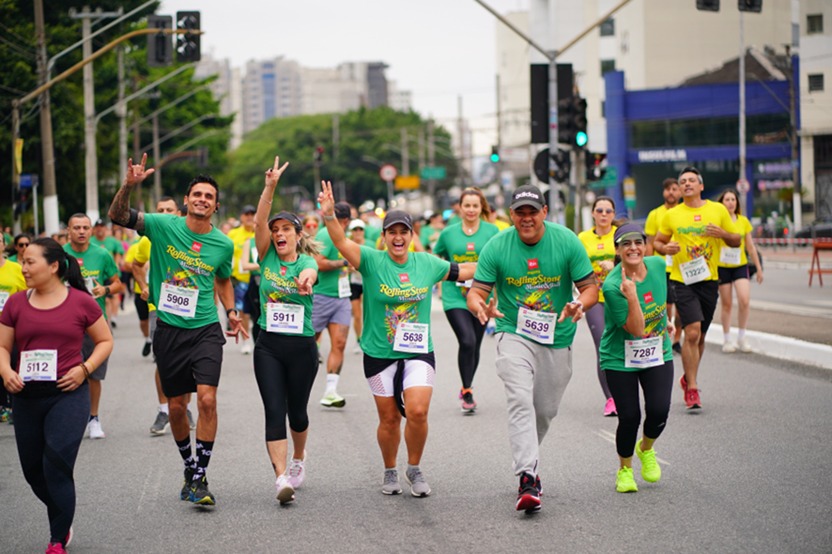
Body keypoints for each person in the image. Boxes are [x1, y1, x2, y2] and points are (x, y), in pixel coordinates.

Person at [318, 180, 476, 497]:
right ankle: (390, 469)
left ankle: (413, 468)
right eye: (393, 232)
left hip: (418, 352)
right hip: (379, 353)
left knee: (417, 411)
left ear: (411, 235)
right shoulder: (372, 261)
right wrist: (328, 216)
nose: (399, 237)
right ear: (385, 237)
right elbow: (339, 242)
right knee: (389, 418)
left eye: (404, 232)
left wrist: (499, 263)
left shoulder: (427, 263)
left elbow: (463, 270)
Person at [109, 153, 247, 506]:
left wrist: (231, 310)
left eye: (209, 197)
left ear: (215, 207)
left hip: (205, 329)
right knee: (175, 407)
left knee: (207, 399)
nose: (202, 200)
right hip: (169, 328)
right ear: (187, 201)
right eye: (197, 194)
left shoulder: (223, 244)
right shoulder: (161, 225)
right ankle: (189, 466)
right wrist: (128, 185)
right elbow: (117, 216)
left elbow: (223, 279)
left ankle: (200, 478)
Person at [467, 184, 597, 513]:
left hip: (558, 335)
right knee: (520, 399)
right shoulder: (496, 246)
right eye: (520, 212)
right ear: (511, 215)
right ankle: (528, 476)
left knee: (544, 410)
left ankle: (528, 456)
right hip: (514, 332)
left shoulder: (567, 240)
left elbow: (590, 288)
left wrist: (579, 304)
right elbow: (476, 292)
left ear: (544, 213)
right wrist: (479, 306)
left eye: (532, 212)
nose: (526, 219)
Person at [0, 238, 113, 553]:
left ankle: (56, 538)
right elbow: (2, 346)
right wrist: (6, 372)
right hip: (26, 396)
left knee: (56, 465)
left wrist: (84, 369)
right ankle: (64, 514)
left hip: (68, 392)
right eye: (22, 261)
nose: (23, 268)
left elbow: (105, 340)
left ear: (53, 266)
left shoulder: (81, 302)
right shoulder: (16, 304)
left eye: (30, 262)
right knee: (34, 472)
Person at [252, 156, 321, 505]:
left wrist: (305, 281)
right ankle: (280, 477)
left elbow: (310, 273)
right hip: (268, 346)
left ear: (297, 236)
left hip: (302, 348)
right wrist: (270, 186)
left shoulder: (306, 261)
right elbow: (259, 221)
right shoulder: (266, 256)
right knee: (273, 409)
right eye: (276, 230)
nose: (279, 234)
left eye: (285, 230)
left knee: (298, 412)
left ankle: (298, 458)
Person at [653, 166, 740, 410]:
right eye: (683, 182)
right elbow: (658, 242)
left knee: (700, 335)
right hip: (682, 280)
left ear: (701, 186)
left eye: (692, 180)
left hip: (709, 280)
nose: (687, 184)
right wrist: (665, 248)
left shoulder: (717, 209)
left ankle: (688, 377)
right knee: (691, 332)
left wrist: (722, 233)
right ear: (679, 189)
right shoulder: (672, 215)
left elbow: (736, 241)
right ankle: (692, 388)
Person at [599, 224, 674, 494]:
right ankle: (625, 470)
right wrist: (631, 297)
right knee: (630, 416)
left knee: (658, 410)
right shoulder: (611, 286)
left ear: (645, 245)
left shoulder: (657, 264)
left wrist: (668, 321)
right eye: (626, 244)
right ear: (617, 251)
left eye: (638, 242)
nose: (633, 247)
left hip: (657, 352)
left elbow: (664, 297)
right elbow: (637, 330)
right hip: (620, 357)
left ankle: (646, 449)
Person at [130, 197, 196, 435]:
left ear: (179, 213)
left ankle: (184, 407)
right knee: (163, 360)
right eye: (160, 210)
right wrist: (143, 286)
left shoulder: (190, 236)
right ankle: (164, 409)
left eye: (169, 210)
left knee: (188, 361)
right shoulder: (150, 237)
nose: (165, 213)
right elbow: (135, 266)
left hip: (189, 308)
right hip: (159, 307)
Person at [432, 187, 499, 413]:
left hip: (482, 295)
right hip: (454, 296)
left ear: (481, 208)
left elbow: (500, 261)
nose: (471, 210)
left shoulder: (492, 232)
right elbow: (437, 258)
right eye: (467, 205)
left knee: (476, 344)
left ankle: (466, 386)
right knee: (467, 341)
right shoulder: (448, 234)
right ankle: (468, 390)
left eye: (475, 206)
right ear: (459, 208)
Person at [64, 213, 123, 439]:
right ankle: (69, 417)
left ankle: (94, 418)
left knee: (93, 374)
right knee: (67, 371)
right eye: (76, 227)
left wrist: (105, 290)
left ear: (91, 231)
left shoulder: (102, 254)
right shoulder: (59, 255)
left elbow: (117, 283)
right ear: (68, 230)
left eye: (85, 227)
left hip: (94, 322)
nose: (81, 231)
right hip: (66, 322)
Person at [577, 196, 620, 417]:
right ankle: (611, 398)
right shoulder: (582, 238)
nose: (604, 214)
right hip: (594, 297)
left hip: (619, 297)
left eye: (608, 211)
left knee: (622, 345)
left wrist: (615, 264)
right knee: (603, 345)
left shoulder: (620, 236)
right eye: (600, 210)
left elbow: (636, 260)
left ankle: (625, 392)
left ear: (613, 214)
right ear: (593, 213)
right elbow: (574, 264)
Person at [312, 201, 353, 408]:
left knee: (339, 343)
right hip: (320, 296)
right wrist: (344, 263)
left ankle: (330, 391)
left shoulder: (345, 237)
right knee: (308, 343)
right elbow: (318, 263)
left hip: (341, 297)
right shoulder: (325, 235)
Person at [716, 188, 764, 353]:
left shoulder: (743, 221)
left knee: (744, 300)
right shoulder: (718, 221)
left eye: (733, 200)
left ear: (737, 203)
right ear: (721, 203)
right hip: (722, 267)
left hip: (740, 266)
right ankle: (727, 338)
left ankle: (742, 336)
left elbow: (750, 247)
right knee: (727, 304)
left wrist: (758, 268)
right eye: (727, 199)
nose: (730, 202)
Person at [645, 178, 682, 353]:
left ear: (680, 192)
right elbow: (650, 242)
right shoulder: (655, 214)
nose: (671, 192)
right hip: (661, 268)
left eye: (675, 189)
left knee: (681, 307)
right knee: (665, 305)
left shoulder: (684, 213)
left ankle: (677, 340)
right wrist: (648, 267)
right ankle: (665, 336)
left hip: (682, 267)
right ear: (663, 193)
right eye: (668, 189)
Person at [0, 233, 27, 423]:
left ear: (3, 245)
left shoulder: (16, 268)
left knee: (12, 364)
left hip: (11, 327)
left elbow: (27, 295)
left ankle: (13, 405)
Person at [228, 205, 257, 354]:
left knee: (259, 312)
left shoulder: (261, 233)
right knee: (243, 311)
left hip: (258, 278)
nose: (250, 217)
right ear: (241, 217)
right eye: (247, 214)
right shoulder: (233, 234)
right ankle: (246, 340)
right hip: (240, 280)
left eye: (252, 214)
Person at [90, 219, 125, 327]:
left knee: (113, 296)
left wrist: (117, 264)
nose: (100, 229)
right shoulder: (90, 241)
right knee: (104, 300)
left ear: (105, 228)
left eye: (102, 226)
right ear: (95, 229)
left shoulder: (112, 241)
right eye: (98, 227)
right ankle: (106, 321)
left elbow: (119, 254)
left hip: (110, 273)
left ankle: (112, 318)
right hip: (97, 274)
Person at [347, 218, 366, 354]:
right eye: (355, 229)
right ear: (351, 232)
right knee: (357, 315)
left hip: (367, 282)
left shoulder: (370, 244)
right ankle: (359, 339)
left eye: (360, 229)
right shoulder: (347, 245)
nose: (358, 232)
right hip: (353, 282)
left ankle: (368, 339)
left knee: (368, 313)